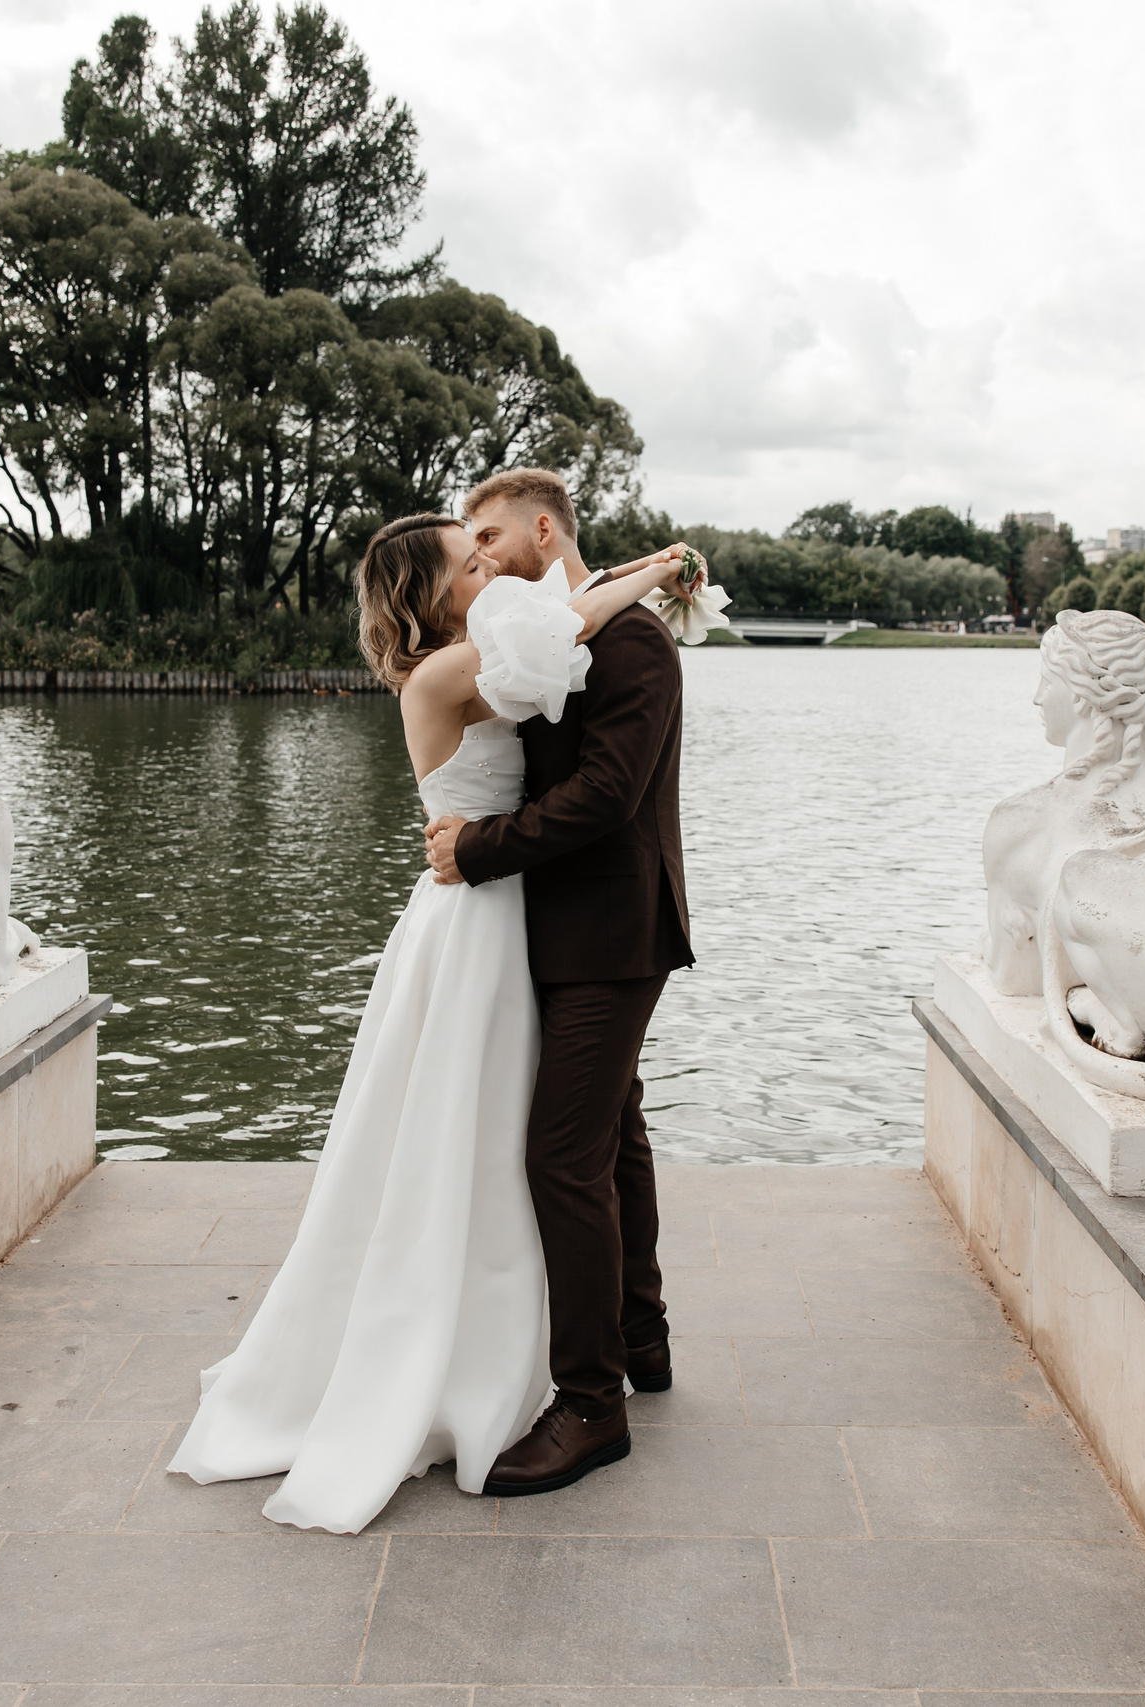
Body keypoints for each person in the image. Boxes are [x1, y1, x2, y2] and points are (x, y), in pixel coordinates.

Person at [164, 500, 695, 1534]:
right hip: (478, 924)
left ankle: (625, 1351)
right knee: (508, 1139)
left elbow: (574, 624)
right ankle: (582, 1376)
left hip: (525, 914)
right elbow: (571, 623)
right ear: (433, 593)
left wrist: (649, 569)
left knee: (566, 1137)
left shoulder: (505, 645)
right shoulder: (444, 675)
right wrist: (665, 566)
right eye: (466, 558)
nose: (484, 563)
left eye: (488, 542)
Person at [424, 467, 695, 1497]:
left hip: (614, 933)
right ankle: (642, 1336)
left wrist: (477, 850)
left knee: (559, 1160)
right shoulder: (553, 637)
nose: (481, 555)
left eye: (491, 536)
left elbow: (604, 796)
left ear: (547, 529)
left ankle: (590, 1406)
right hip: (549, 930)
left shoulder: (631, 645)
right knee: (615, 1132)